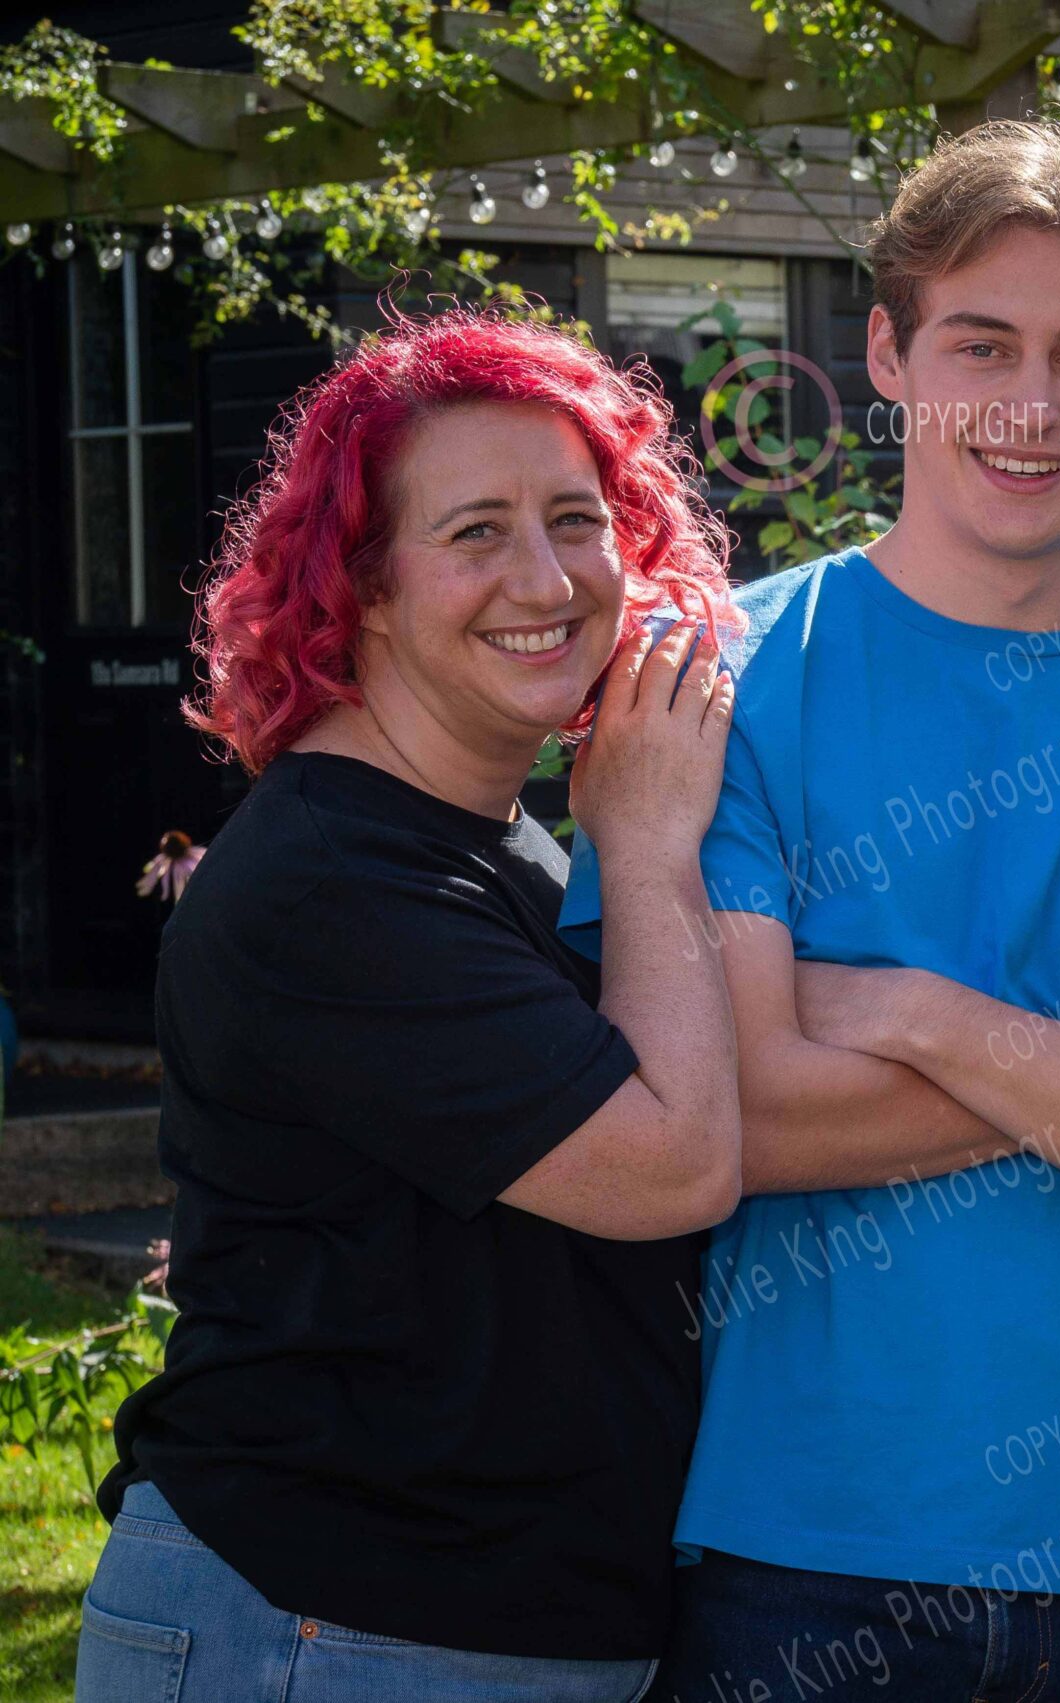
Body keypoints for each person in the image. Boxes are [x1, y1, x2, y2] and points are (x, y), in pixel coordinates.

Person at [555, 120, 1060, 1703]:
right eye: (981, 344)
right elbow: (743, 1118)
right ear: (890, 355)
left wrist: (918, 1015)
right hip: (790, 1545)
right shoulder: (726, 685)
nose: (1031, 407)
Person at [77, 310, 744, 1702]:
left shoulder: (483, 844)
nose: (549, 576)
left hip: (447, 1631)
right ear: (361, 584)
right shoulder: (337, 882)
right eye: (476, 533)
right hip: (325, 1629)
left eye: (578, 518)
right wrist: (652, 841)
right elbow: (676, 1161)